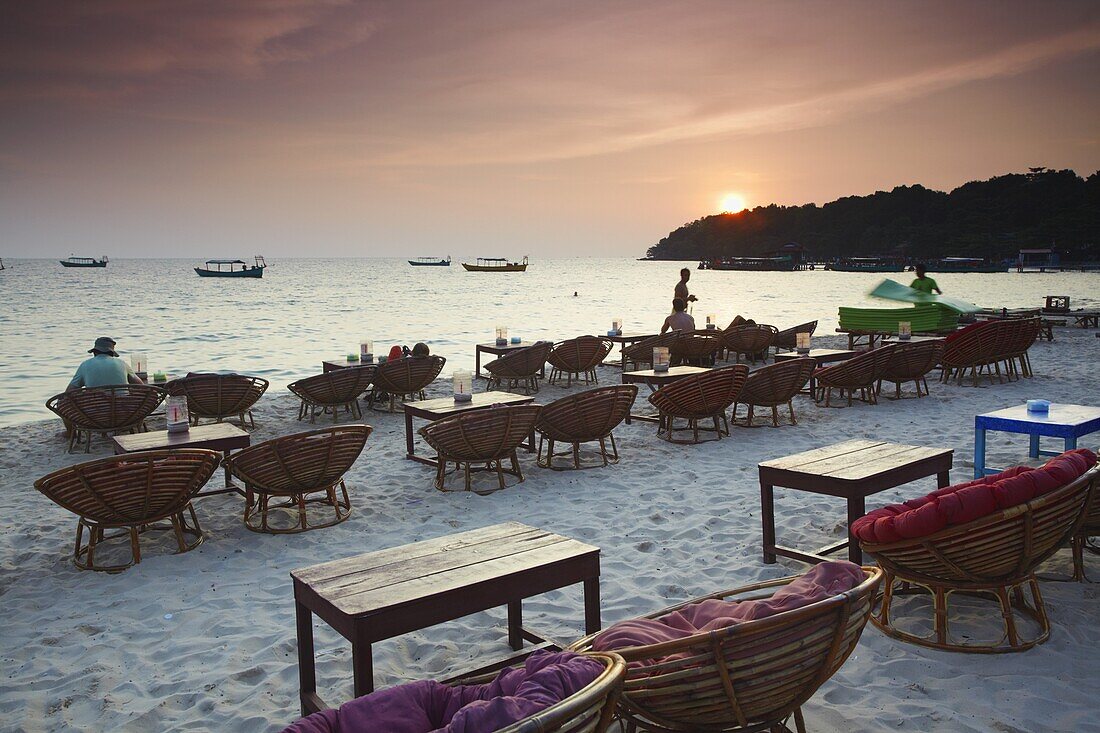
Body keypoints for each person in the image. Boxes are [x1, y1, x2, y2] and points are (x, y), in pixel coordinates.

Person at [68, 337, 142, 390]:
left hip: (94, 409)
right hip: (122, 408)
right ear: (112, 353)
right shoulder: (122, 363)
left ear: (94, 352)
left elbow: (69, 391)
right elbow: (140, 385)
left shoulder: (85, 365)